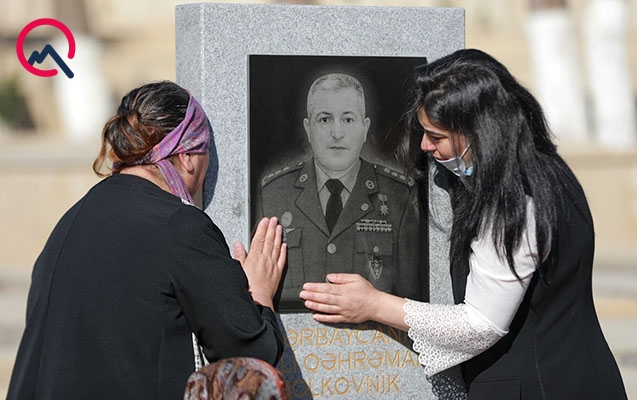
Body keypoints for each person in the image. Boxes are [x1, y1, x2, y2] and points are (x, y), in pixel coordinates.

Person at [300, 49, 627, 399]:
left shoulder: (512, 199)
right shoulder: (547, 170)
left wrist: (374, 305)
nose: (425, 146)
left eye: (436, 137)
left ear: (480, 131)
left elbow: (480, 324)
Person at [7, 81, 287, 400]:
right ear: (190, 157)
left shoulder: (72, 219)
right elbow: (250, 355)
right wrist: (260, 294)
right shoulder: (180, 225)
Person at [255, 72, 426, 310]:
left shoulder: (399, 197)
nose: (337, 133)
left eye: (348, 120)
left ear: (365, 128)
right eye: (325, 120)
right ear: (308, 128)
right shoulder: (274, 193)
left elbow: (412, 303)